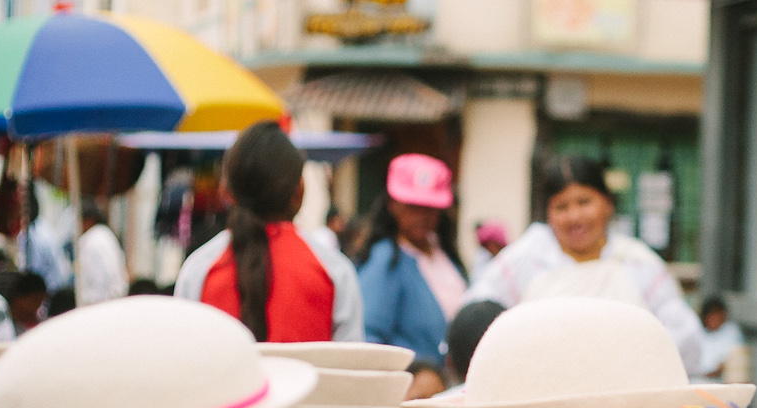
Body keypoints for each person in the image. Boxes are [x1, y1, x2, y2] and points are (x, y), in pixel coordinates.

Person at [464, 154, 703, 372]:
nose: (575, 217)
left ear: (608, 204)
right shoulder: (524, 262)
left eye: (584, 202)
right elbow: (477, 319)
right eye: (562, 207)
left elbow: (684, 340)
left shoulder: (639, 265)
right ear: (548, 214)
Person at [174, 122, 364, 342]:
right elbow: (352, 369)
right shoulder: (335, 271)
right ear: (299, 191)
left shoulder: (199, 270)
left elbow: (184, 364)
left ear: (225, 191)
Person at [355, 153, 468, 365]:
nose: (422, 215)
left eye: (430, 208)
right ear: (392, 204)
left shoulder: (444, 255)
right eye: (413, 206)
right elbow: (368, 339)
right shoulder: (385, 260)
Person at [76, 200, 129, 306]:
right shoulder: (106, 235)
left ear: (89, 220)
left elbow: (100, 281)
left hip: (99, 304)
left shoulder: (92, 239)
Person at [695, 295, 750, 384]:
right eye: (711, 314)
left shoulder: (731, 331)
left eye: (717, 314)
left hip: (721, 384)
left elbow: (733, 360)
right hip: (697, 382)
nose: (714, 318)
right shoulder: (699, 333)